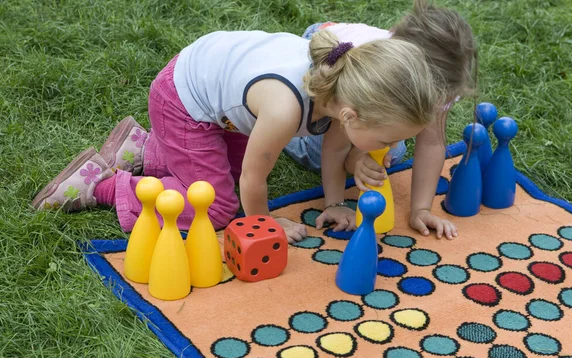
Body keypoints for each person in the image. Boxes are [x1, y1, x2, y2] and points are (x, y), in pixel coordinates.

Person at [32, 26, 440, 243]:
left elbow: (334, 152)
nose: (392, 148)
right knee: (218, 207)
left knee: (217, 173)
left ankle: (147, 149)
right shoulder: (285, 111)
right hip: (183, 100)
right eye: (388, 138)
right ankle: (104, 186)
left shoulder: (341, 92)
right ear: (352, 115)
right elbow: (253, 178)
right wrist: (263, 222)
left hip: (226, 103)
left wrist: (334, 202)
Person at [284, 0, 476, 239]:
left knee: (390, 151)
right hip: (326, 57)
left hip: (362, 87)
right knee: (316, 152)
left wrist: (421, 209)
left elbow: (431, 142)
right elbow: (334, 145)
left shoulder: (442, 82)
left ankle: (358, 153)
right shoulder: (370, 76)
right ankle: (280, 126)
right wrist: (334, 202)